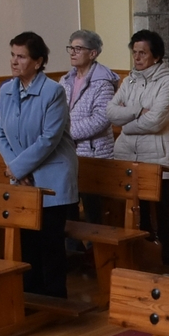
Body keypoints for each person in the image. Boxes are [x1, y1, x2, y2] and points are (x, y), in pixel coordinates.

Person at [0, 32, 78, 299]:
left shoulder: (53, 91)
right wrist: (16, 169)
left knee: (49, 242)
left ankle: (54, 298)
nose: (14, 61)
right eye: (12, 55)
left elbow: (48, 138)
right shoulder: (6, 90)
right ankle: (31, 297)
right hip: (22, 177)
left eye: (21, 57)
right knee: (27, 242)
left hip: (52, 175)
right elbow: (0, 133)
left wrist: (19, 169)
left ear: (38, 61)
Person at [108, 30, 169, 266]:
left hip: (157, 155)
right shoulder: (129, 80)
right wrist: (137, 111)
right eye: (135, 52)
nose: (137, 58)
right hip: (128, 153)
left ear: (156, 56)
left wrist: (126, 124)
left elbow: (155, 121)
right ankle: (142, 258)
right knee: (138, 211)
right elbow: (111, 112)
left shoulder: (168, 82)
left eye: (143, 53)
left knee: (160, 211)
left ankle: (165, 261)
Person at [59, 30, 119, 225]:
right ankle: (73, 244)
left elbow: (101, 119)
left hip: (93, 153)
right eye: (71, 48)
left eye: (78, 48)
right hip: (68, 154)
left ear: (93, 53)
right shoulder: (65, 80)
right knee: (68, 209)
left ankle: (95, 243)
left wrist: (64, 133)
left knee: (93, 212)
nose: (72, 52)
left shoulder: (102, 82)